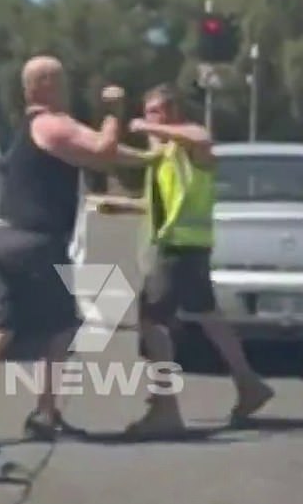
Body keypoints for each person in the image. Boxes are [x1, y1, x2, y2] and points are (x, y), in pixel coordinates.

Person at [0, 55, 124, 441]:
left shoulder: (30, 128)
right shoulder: (53, 124)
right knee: (61, 327)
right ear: (43, 84)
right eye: (61, 80)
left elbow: (94, 154)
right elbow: (104, 150)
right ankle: (45, 412)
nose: (68, 87)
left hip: (4, 237)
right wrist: (113, 111)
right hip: (36, 242)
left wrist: (148, 158)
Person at [117, 83, 274, 436]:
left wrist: (148, 129)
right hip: (182, 248)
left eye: (156, 113)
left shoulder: (190, 146)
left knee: (152, 322)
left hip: (180, 248)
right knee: (208, 317)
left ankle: (166, 407)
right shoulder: (163, 154)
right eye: (147, 113)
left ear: (172, 113)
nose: (149, 121)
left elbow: (201, 137)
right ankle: (249, 384)